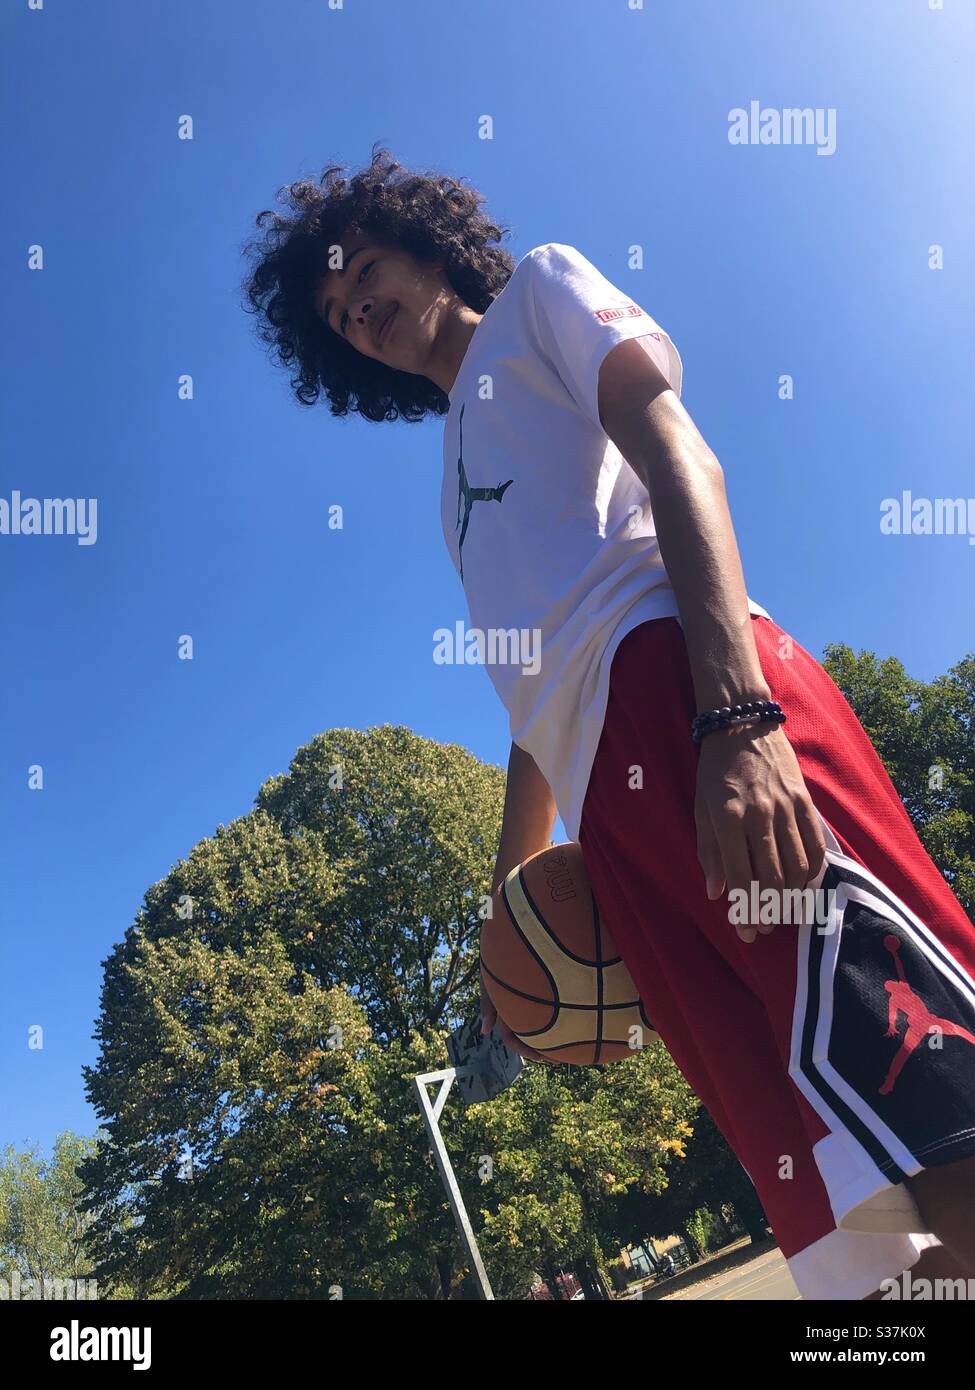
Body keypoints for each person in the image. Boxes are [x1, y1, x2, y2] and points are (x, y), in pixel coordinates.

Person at [242, 146, 975, 1301]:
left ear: (428, 243)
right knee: (856, 1252)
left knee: (949, 1145)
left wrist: (738, 713)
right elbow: (537, 713)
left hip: (689, 700)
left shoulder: (540, 292)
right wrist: (505, 906)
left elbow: (681, 449)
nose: (355, 310)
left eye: (364, 270)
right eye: (333, 313)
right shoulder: (449, 487)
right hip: (608, 810)